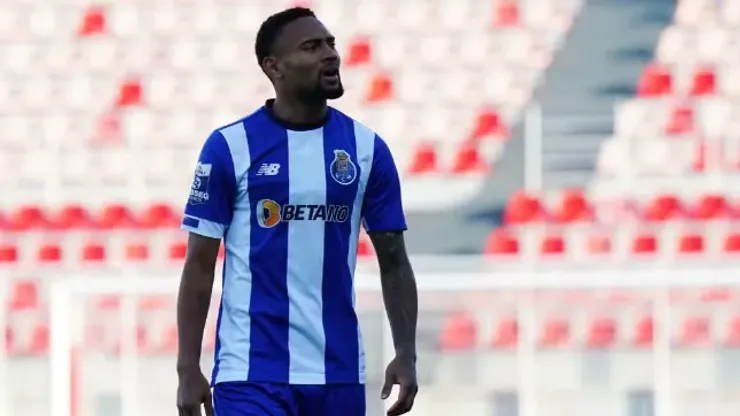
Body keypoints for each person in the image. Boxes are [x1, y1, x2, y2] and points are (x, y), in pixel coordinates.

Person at [175, 7, 419, 416]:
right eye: (311, 47)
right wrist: (187, 368)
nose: (330, 55)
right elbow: (199, 265)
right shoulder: (230, 148)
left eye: (331, 44)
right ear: (275, 68)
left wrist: (406, 352)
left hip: (337, 373)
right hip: (251, 373)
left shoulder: (366, 150)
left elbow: (393, 261)